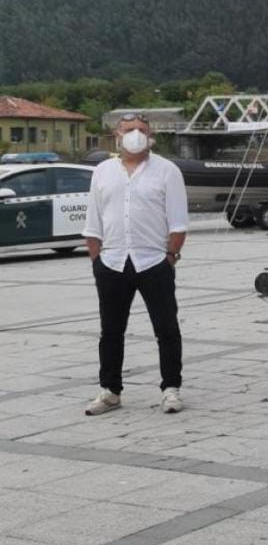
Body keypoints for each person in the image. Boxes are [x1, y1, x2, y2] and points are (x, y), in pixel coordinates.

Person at [83, 114, 188, 415]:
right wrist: (97, 260)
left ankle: (170, 388)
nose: (136, 135)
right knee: (111, 330)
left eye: (142, 130)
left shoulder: (167, 171)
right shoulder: (103, 172)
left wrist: (170, 257)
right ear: (117, 134)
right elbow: (93, 222)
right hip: (113, 262)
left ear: (151, 135)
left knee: (166, 328)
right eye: (130, 130)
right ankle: (110, 391)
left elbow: (178, 222)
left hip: (154, 261)